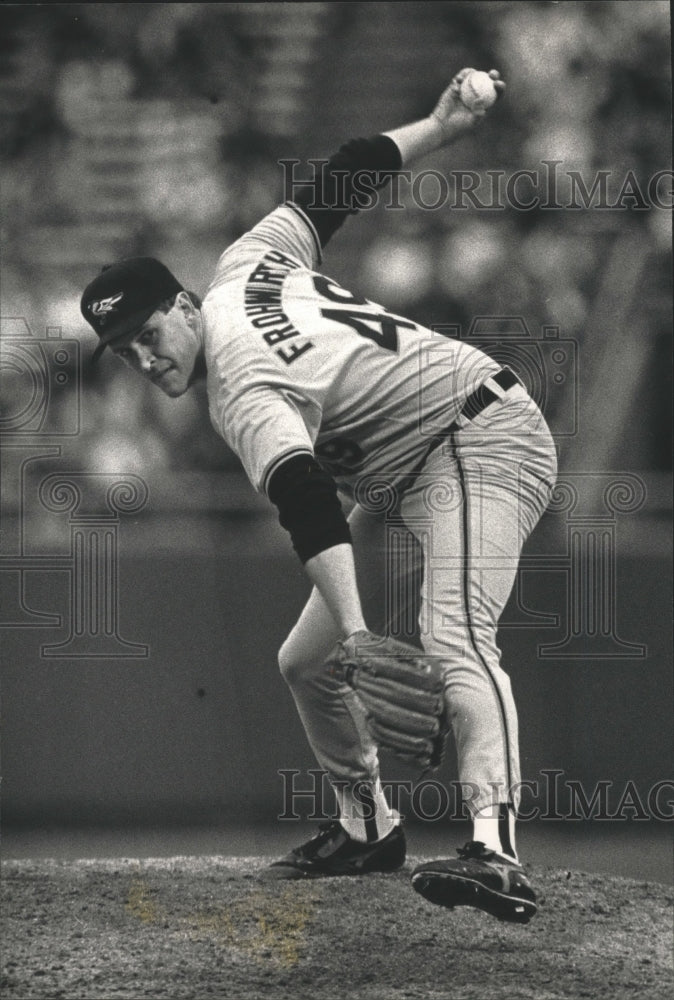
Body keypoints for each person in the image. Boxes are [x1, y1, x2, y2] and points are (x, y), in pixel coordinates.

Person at [81, 69, 557, 924]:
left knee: (453, 633)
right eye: (124, 351)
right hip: (397, 457)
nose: (145, 359)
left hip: (475, 432)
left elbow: (306, 501)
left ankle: (495, 847)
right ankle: (368, 825)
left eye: (149, 333)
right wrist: (440, 128)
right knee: (306, 663)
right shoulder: (246, 261)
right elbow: (342, 178)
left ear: (184, 309)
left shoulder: (240, 384)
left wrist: (365, 636)